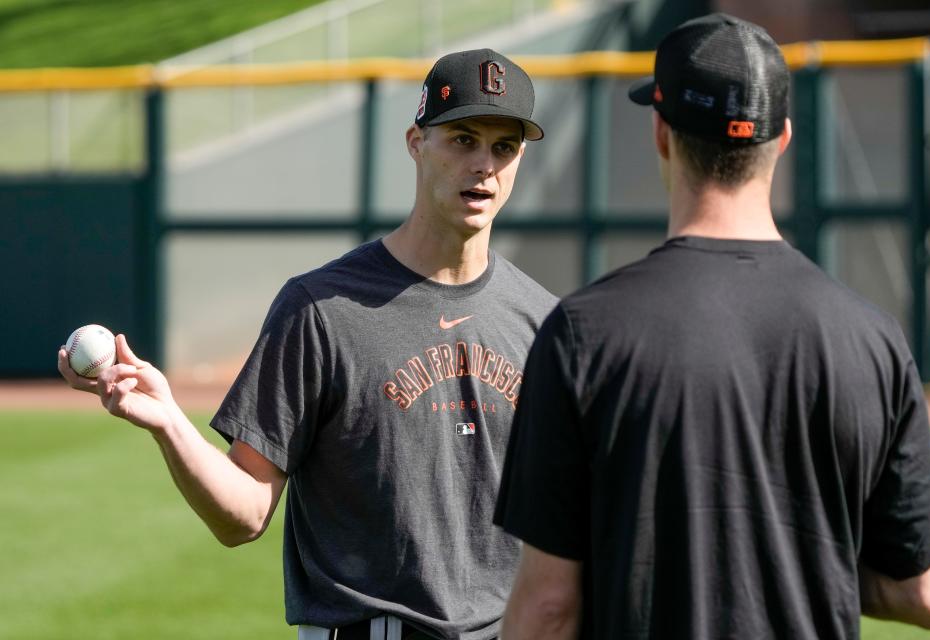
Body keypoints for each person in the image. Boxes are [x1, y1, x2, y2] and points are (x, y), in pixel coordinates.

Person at [59, 48, 557, 640]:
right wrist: (168, 421)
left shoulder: (542, 319)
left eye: (504, 147)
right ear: (415, 142)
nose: (483, 165)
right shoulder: (319, 309)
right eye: (463, 138)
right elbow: (242, 517)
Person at [494, 13, 930, 639]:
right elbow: (927, 594)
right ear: (784, 138)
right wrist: (803, 561)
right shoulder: (873, 338)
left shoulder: (583, 333)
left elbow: (550, 607)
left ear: (661, 132)